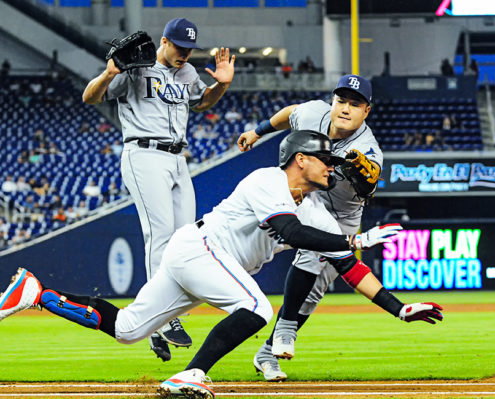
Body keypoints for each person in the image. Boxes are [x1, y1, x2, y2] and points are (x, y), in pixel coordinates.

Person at [0, 131, 442, 399]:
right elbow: (289, 233)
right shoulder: (267, 180)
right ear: (301, 159)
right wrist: (353, 238)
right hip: (201, 251)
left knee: (128, 329)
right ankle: (191, 374)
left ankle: (38, 294)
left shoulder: (316, 210)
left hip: (198, 260)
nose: (332, 168)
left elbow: (347, 264)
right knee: (258, 310)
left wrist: (398, 307)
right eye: (326, 160)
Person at [82, 17, 235, 361]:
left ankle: (156, 321)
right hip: (143, 153)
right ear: (164, 41)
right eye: (179, 46)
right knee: (161, 234)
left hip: (178, 159)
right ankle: (166, 319)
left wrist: (221, 86)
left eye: (189, 49)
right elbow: (90, 97)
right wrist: (109, 73)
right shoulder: (136, 69)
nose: (184, 53)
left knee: (184, 239)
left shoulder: (189, 74)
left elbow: (203, 103)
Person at [237, 75, 387, 381]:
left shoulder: (368, 148)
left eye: (355, 104)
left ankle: (267, 353)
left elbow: (371, 179)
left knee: (314, 293)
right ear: (333, 101)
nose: (346, 108)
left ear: (366, 111)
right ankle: (284, 333)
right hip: (306, 198)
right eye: (341, 101)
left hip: (344, 215)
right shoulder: (312, 113)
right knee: (312, 253)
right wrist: (257, 131)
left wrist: (364, 176)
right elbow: (289, 113)